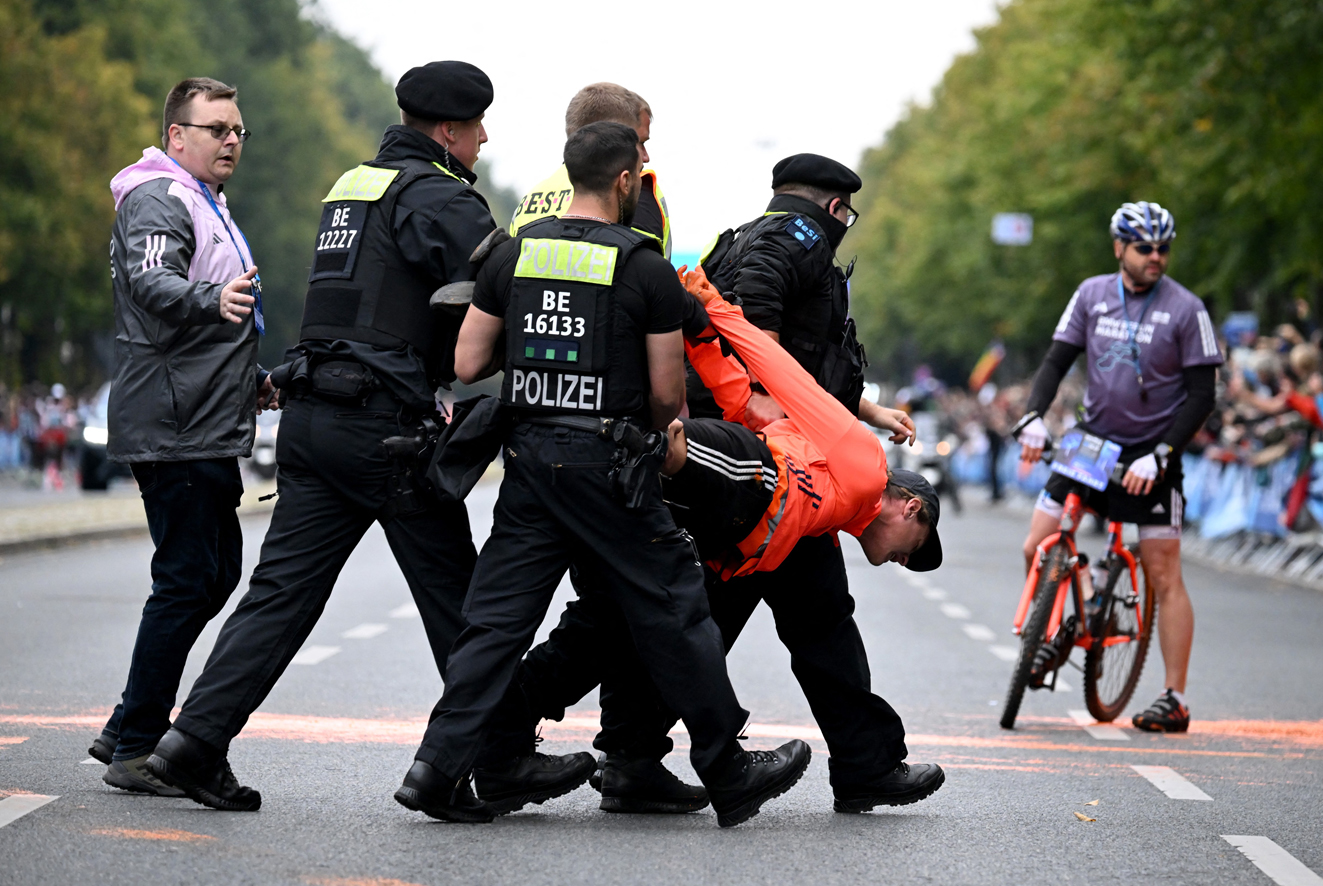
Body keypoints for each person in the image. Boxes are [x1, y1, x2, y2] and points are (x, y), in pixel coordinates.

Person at [144, 61, 581, 812]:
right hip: (386, 430)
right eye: (476, 128)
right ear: (447, 131)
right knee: (462, 600)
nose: (482, 140)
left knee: (279, 597)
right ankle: (500, 757)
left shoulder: (353, 188)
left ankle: (190, 744)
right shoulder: (442, 198)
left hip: (314, 417)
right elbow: (500, 297)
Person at [394, 122, 811, 828]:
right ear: (623, 181)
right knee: (675, 607)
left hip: (528, 463)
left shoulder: (511, 252)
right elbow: (664, 393)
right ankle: (727, 769)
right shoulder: (642, 265)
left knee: (494, 621)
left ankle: (435, 767)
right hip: (612, 468)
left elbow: (467, 365)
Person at [484, 266, 947, 815]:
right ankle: (552, 739)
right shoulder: (866, 467)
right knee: (624, 606)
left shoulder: (829, 511)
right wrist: (715, 313)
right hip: (737, 477)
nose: (901, 559)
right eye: (913, 545)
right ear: (910, 505)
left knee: (634, 623)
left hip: (731, 515)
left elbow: (745, 403)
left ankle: (547, 742)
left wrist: (703, 337)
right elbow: (784, 375)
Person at [90, 77, 271, 796]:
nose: (231, 141)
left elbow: (195, 320)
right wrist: (212, 299)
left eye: (237, 131)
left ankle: (127, 721)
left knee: (212, 573)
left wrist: (248, 377)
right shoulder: (158, 197)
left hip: (200, 416)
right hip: (175, 425)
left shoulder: (200, 200)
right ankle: (136, 747)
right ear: (177, 137)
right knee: (188, 579)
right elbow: (151, 281)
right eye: (216, 129)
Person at [1013, 201, 1221, 733]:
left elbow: (1202, 397)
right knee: (1036, 544)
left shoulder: (1186, 308)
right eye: (1144, 248)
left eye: (1163, 248)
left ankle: (1174, 697)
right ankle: (1055, 630)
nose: (1156, 257)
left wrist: (1163, 454)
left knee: (1164, 574)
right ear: (1118, 249)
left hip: (1152, 452)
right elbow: (1056, 361)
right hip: (1092, 445)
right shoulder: (1092, 295)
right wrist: (1033, 415)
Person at [691, 153, 888, 430]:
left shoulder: (756, 233)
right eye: (847, 214)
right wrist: (764, 391)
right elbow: (757, 299)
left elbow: (809, 362)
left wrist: (873, 412)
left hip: (719, 408)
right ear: (834, 208)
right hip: (746, 417)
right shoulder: (799, 236)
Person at [510, 83, 670, 258]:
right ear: (609, 136)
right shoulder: (634, 188)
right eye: (640, 142)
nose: (646, 157)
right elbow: (645, 272)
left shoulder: (530, 198)